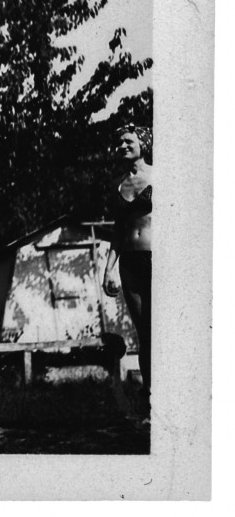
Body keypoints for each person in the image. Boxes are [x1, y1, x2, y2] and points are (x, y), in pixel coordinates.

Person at [102, 124, 152, 417]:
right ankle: (149, 399)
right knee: (144, 333)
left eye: (128, 141)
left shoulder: (160, 176)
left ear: (143, 143)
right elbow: (118, 231)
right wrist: (108, 269)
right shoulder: (119, 185)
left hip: (158, 258)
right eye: (119, 142)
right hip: (129, 264)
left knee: (163, 331)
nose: (122, 146)